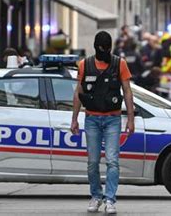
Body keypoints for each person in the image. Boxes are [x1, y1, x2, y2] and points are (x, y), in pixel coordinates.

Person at [70, 31, 135, 214]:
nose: (104, 52)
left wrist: (130, 119)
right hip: (91, 119)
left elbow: (128, 92)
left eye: (107, 49)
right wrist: (74, 119)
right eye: (101, 49)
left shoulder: (120, 64)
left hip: (113, 119)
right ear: (96, 47)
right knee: (93, 162)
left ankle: (110, 199)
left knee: (112, 161)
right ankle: (96, 196)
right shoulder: (85, 65)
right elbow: (79, 93)